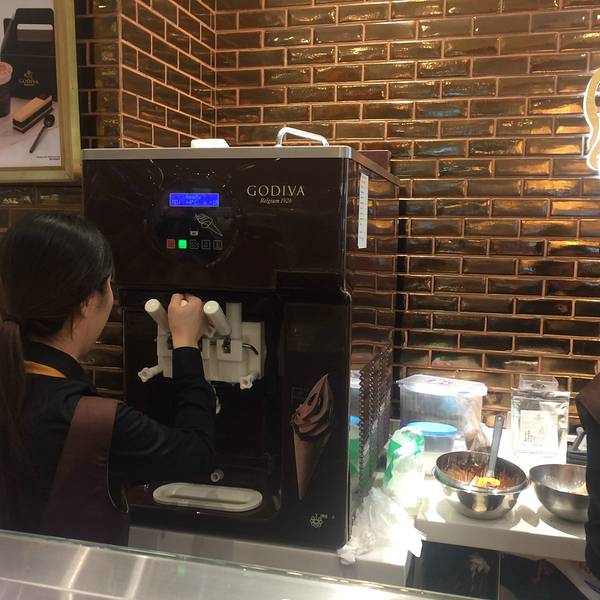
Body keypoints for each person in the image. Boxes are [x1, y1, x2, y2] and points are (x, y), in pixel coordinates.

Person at [0, 212, 216, 545]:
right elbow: (196, 455)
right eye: (109, 283)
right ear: (88, 302)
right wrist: (186, 345)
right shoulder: (91, 422)